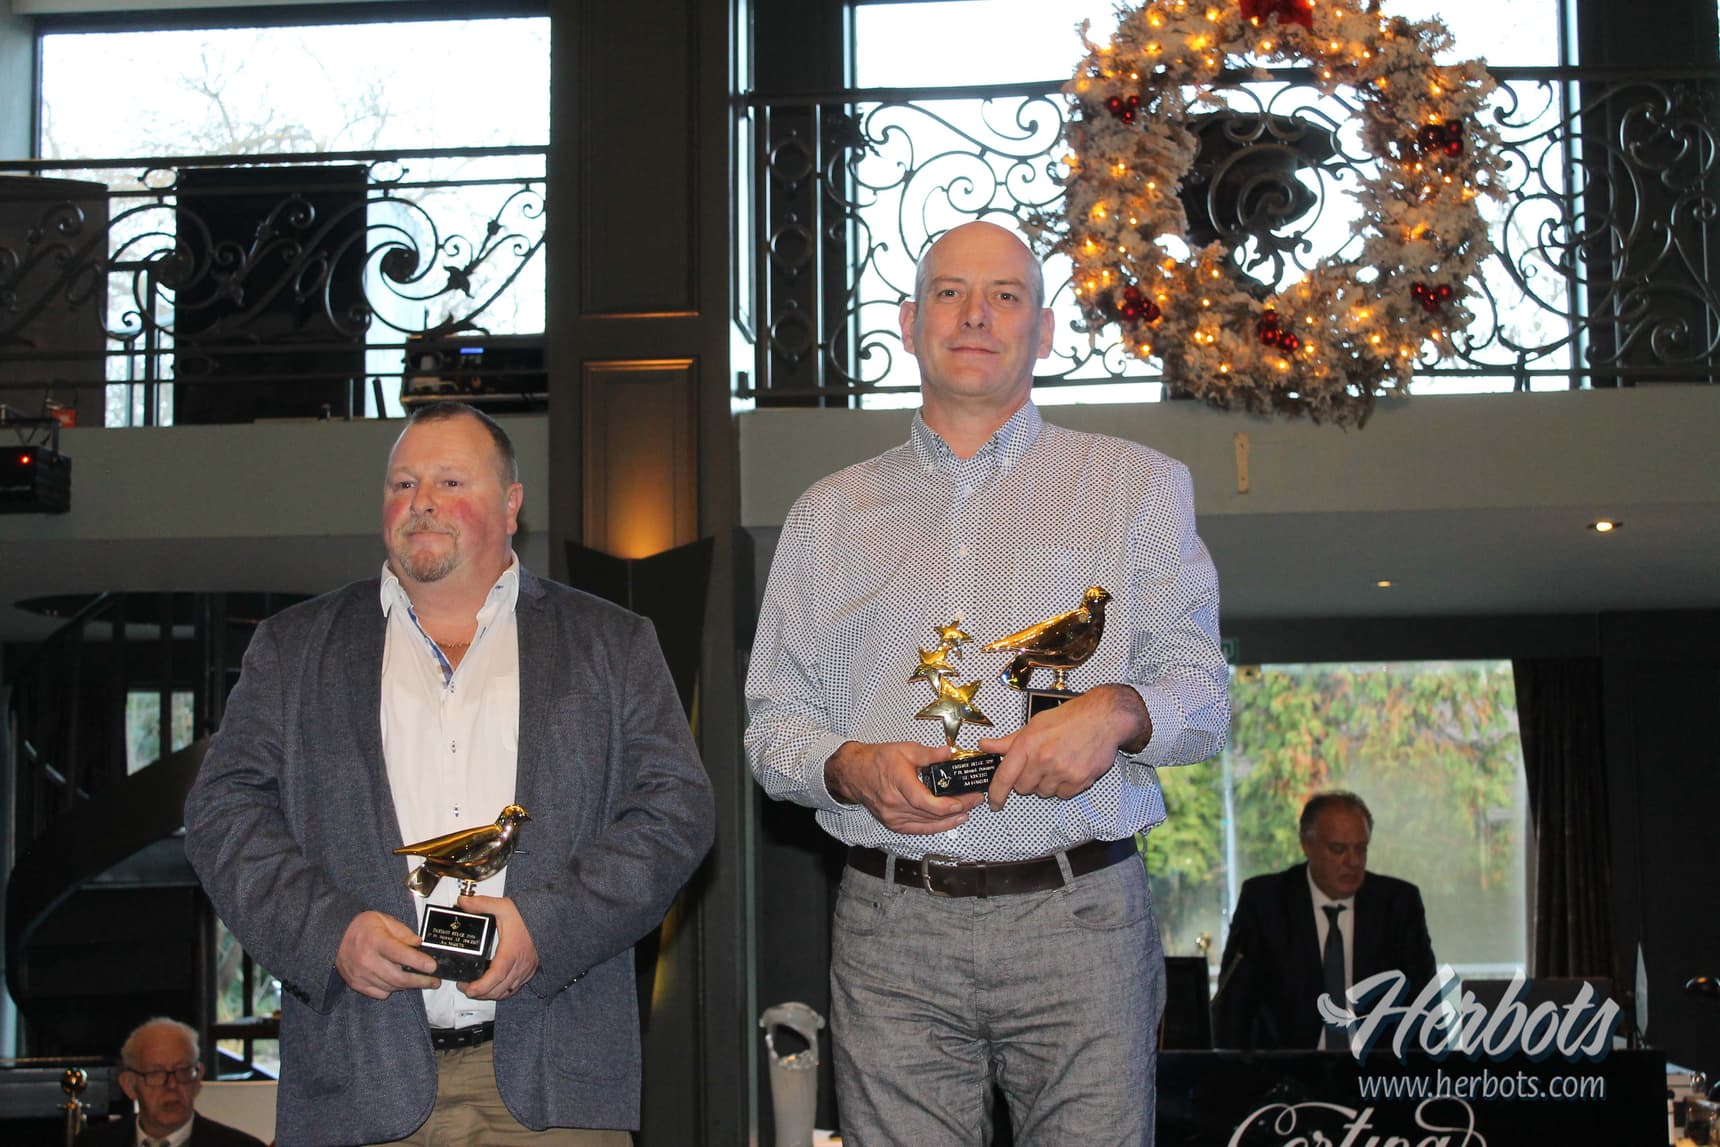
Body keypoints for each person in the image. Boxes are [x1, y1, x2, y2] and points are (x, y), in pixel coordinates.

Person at [744, 220, 1229, 1145]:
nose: (976, 315)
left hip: (1082, 921)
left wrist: (1120, 710)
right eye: (950, 292)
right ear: (908, 322)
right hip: (890, 929)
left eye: (1005, 295)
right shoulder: (825, 516)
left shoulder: (1138, 487)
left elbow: (1204, 696)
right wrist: (849, 766)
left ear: (1043, 331)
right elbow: (773, 726)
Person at [184, 402, 714, 1147]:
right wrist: (329, 932)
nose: (421, 501)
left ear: (512, 504)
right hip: (358, 1081)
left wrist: (546, 927)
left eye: (450, 481)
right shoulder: (293, 649)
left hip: (553, 1082)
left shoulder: (610, 643)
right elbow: (221, 814)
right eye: (402, 484)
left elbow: (676, 811)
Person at [1212, 791, 1438, 1050]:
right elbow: (1234, 1008)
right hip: (1288, 1066)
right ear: (1307, 846)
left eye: (1361, 848)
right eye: (1338, 849)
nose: (1353, 861)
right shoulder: (1266, 903)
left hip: (1378, 1067)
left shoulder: (1397, 904)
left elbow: (1425, 1006)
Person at [75, 1018, 265, 1147]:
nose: (172, 1085)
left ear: (198, 1078)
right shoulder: (92, 1143)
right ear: (129, 1085)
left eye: (182, 1071)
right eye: (156, 1074)